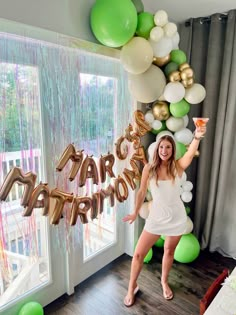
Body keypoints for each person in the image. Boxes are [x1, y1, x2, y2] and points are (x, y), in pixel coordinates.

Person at [122, 124, 207, 307]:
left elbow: (190, 154)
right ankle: (131, 287)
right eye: (161, 147)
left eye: (168, 147)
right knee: (138, 255)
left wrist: (197, 137)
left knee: (169, 251)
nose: (164, 150)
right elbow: (141, 191)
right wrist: (135, 212)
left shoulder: (177, 167)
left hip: (176, 218)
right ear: (157, 149)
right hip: (156, 219)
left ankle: (164, 281)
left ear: (172, 149)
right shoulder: (149, 169)